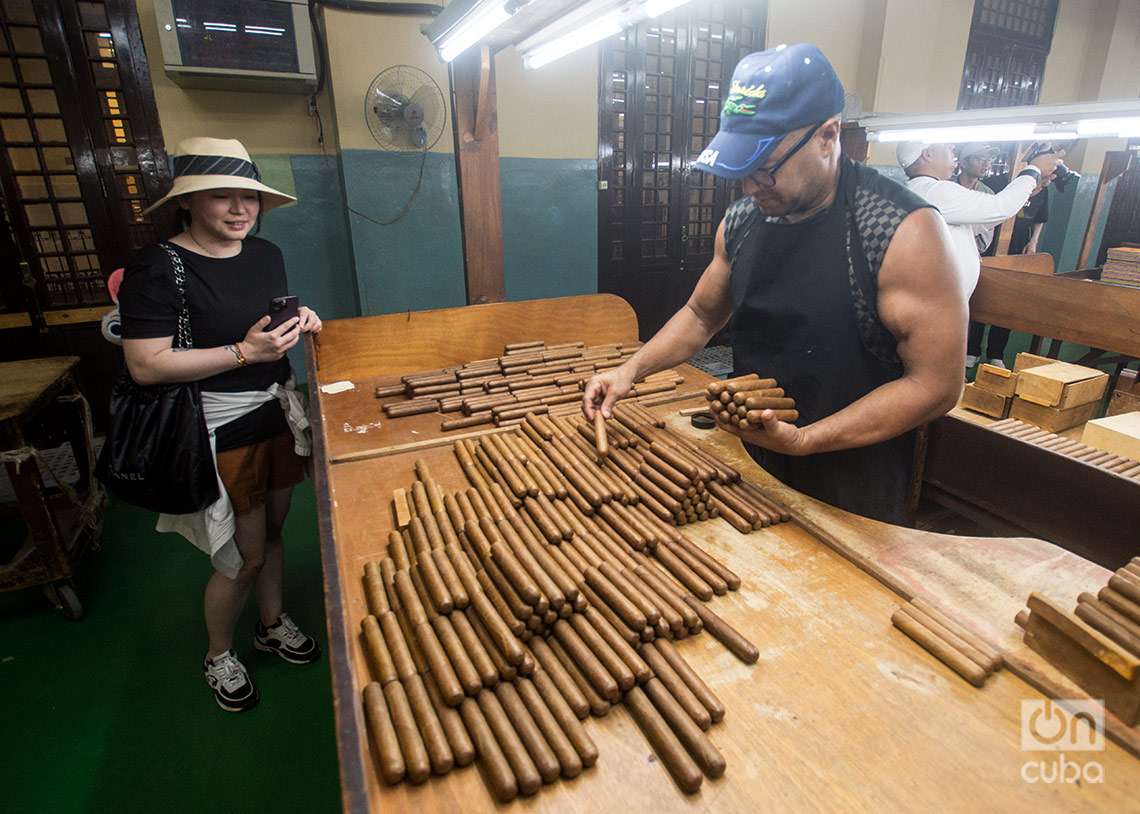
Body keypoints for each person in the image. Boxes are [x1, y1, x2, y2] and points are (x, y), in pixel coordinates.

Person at [583, 43, 967, 526]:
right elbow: (702, 315)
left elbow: (936, 384)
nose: (749, 187)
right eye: (742, 172)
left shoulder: (899, 230)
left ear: (828, 136)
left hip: (852, 485)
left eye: (765, 168)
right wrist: (629, 371)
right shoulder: (743, 220)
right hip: (752, 464)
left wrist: (809, 439)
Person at [118, 137, 322, 712]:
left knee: (275, 532)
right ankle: (218, 654)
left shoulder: (265, 254)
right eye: (221, 198)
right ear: (187, 203)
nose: (240, 210)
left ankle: (271, 621)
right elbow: (145, 363)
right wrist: (242, 353)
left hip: (274, 411)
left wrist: (296, 321)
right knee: (242, 554)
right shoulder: (159, 268)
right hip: (216, 425)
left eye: (249, 198)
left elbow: (265, 322)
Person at [898, 141, 1063, 303]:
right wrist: (1033, 170)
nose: (953, 147)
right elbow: (1000, 207)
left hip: (936, 301)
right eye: (947, 146)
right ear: (928, 154)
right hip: (934, 303)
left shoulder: (923, 190)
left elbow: (976, 224)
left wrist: (1031, 187)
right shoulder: (934, 191)